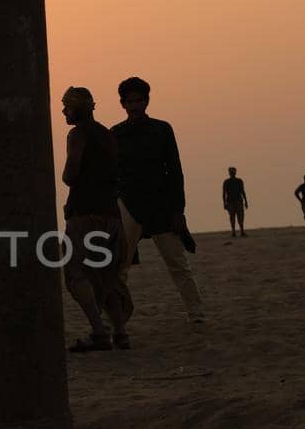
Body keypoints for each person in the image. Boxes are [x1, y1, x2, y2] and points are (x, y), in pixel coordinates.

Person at [112, 77, 207, 325]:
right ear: (122, 103)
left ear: (147, 101)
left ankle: (196, 313)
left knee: (177, 263)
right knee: (120, 267)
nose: (134, 105)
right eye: (130, 101)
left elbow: (175, 171)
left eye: (139, 100)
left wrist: (178, 210)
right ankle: (117, 317)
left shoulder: (162, 129)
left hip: (160, 206)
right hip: (129, 204)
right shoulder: (116, 134)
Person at [60, 86, 130, 351]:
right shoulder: (107, 135)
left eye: (67, 107)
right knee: (108, 275)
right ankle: (121, 333)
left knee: (76, 274)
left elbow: (71, 174)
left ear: (78, 108)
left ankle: (99, 331)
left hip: (84, 213)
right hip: (111, 213)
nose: (64, 112)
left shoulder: (77, 134)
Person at [222, 167, 249, 238]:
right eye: (231, 172)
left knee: (240, 217)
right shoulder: (226, 182)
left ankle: (242, 231)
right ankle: (234, 232)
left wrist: (246, 201)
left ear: (235, 172)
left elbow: (243, 192)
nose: (232, 173)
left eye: (233, 172)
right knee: (232, 217)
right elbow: (224, 193)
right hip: (230, 202)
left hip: (238, 201)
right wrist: (224, 203)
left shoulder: (239, 181)